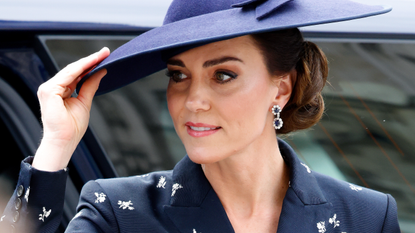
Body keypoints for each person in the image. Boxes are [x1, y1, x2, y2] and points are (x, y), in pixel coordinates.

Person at [0, 0, 400, 232]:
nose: (193, 101)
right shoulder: (119, 212)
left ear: (281, 88)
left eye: (223, 75)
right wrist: (55, 145)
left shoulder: (365, 215)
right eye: (178, 75)